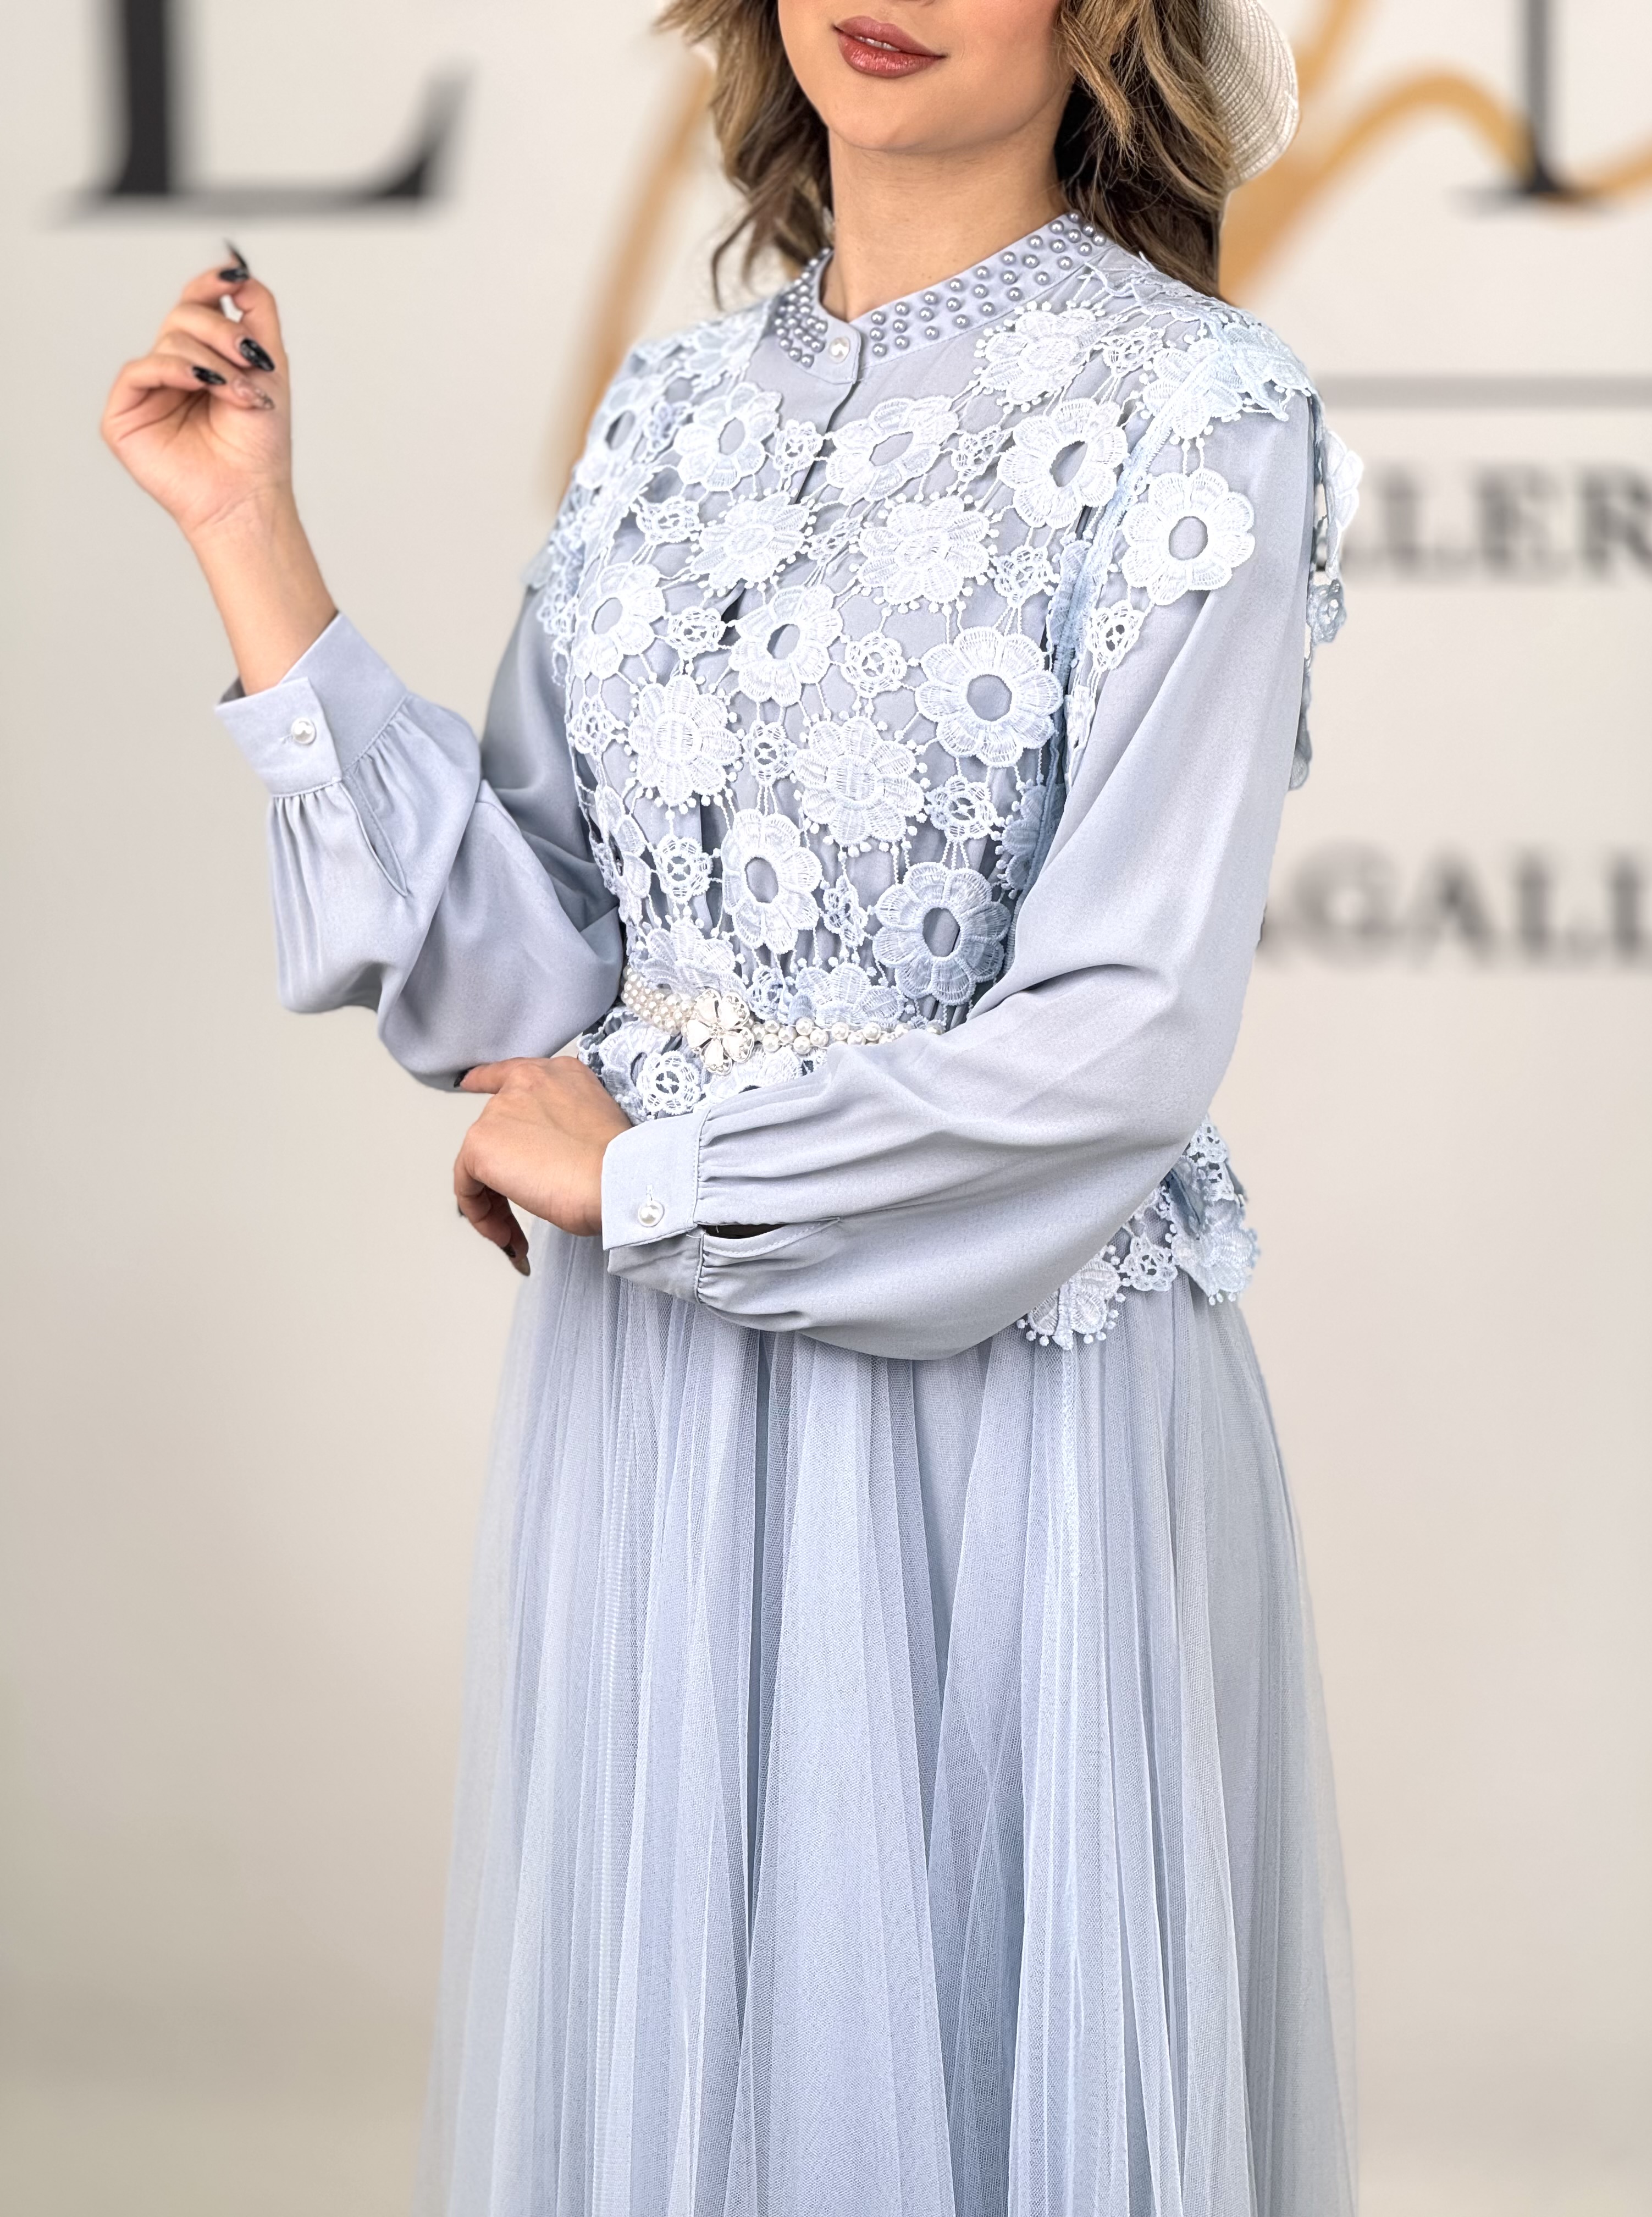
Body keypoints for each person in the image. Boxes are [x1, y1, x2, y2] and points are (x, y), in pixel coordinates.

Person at [102, 0, 1361, 2208]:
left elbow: (1124, 1043)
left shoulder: (1201, 411)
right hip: (668, 1409)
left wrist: (665, 1177)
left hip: (1002, 1431)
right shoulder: (671, 412)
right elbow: (532, 975)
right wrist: (249, 533)